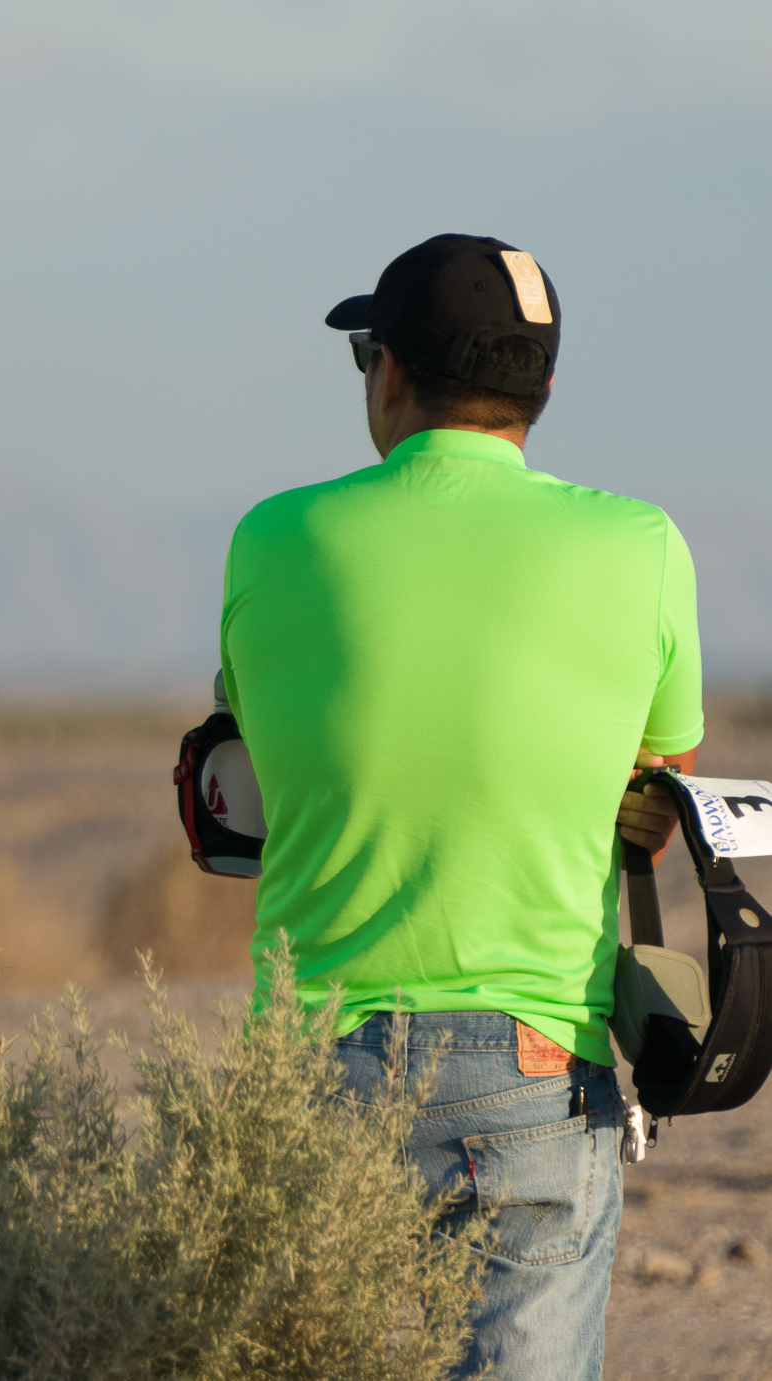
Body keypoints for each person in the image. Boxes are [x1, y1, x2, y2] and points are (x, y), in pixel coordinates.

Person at [219, 234, 701, 1379]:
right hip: (533, 1065)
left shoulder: (272, 537)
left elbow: (246, 756)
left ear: (388, 372)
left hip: (307, 1060)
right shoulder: (641, 547)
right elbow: (657, 771)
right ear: (540, 389)